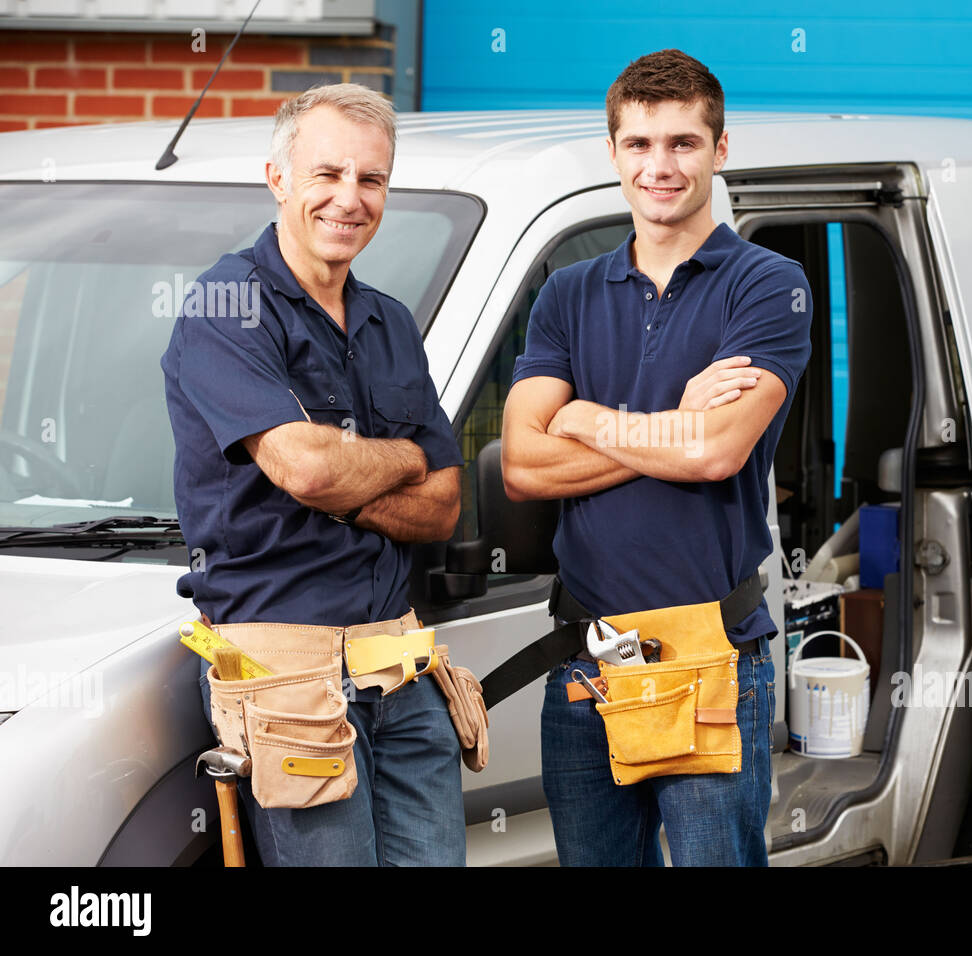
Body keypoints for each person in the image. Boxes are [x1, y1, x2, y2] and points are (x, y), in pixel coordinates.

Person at [501, 49, 813, 866]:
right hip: (587, 664)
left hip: (711, 655)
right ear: (613, 154)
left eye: (682, 142)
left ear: (719, 150)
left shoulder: (767, 285)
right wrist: (673, 420)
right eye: (639, 144)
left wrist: (587, 417)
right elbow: (523, 467)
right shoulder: (567, 294)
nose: (660, 165)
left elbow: (715, 453)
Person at [160, 83, 466, 866]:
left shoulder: (389, 321)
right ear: (279, 178)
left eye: (371, 180)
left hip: (398, 668)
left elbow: (442, 508)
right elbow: (307, 470)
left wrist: (346, 471)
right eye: (326, 174)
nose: (349, 198)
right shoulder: (227, 306)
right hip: (284, 677)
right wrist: (400, 458)